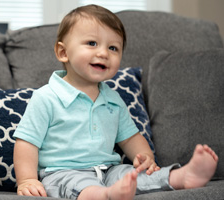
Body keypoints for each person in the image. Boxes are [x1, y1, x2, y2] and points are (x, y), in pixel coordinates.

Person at [13, 4, 218, 200]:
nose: (103, 53)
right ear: (63, 52)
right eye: (92, 43)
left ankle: (180, 177)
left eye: (113, 48)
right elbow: (27, 142)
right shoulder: (47, 97)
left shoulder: (113, 99)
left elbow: (129, 138)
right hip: (62, 173)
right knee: (78, 185)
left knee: (130, 175)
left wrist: (146, 157)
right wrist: (27, 180)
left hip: (108, 170)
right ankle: (106, 195)